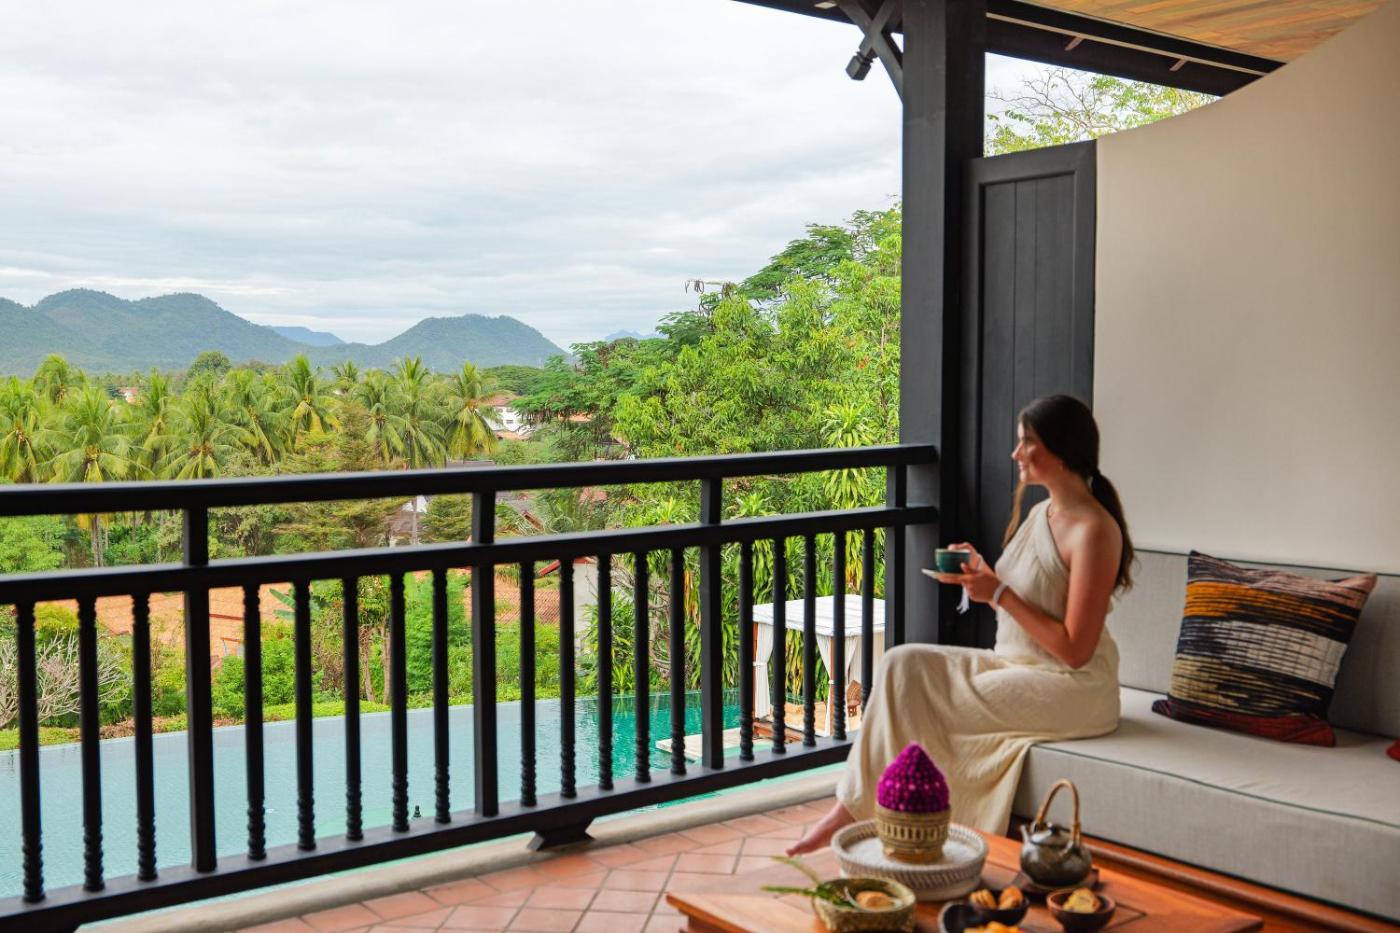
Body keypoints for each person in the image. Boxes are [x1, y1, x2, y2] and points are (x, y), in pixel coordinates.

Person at [788, 394, 1135, 855]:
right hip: (1014, 663)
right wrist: (982, 577)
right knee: (901, 665)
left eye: (1026, 443)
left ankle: (902, 824)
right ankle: (854, 806)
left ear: (1060, 449)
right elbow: (1024, 598)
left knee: (932, 701)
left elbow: (1075, 650)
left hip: (1073, 688)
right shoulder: (1041, 514)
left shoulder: (1094, 530)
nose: (1015, 453)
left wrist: (998, 593)